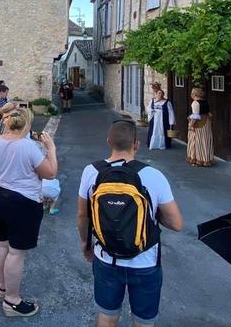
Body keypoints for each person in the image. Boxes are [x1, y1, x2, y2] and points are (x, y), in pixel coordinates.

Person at [77, 119, 183, 327]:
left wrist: (85, 244)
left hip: (106, 257)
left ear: (109, 141)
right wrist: (154, 214)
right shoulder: (153, 175)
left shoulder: (91, 172)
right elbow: (177, 223)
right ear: (136, 144)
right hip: (145, 261)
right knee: (144, 322)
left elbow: (83, 215)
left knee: (106, 317)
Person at [0, 107, 58, 317]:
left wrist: (3, 184)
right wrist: (51, 149)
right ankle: (12, 301)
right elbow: (50, 173)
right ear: (27, 124)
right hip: (23, 201)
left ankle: (3, 288)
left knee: (1, 244)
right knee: (16, 252)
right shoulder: (28, 146)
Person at [186, 87, 214, 166]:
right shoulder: (205, 102)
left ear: (194, 94)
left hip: (199, 123)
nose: (191, 95)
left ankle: (198, 159)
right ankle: (206, 158)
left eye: (192, 93)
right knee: (205, 140)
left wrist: (191, 125)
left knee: (197, 140)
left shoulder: (195, 103)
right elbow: (209, 113)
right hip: (206, 123)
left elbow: (195, 116)